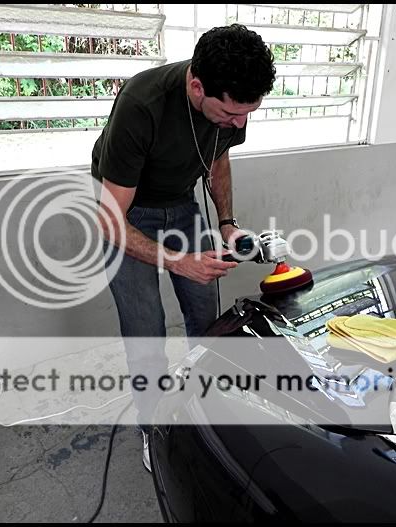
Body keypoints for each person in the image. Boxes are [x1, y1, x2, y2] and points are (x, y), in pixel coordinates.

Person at [92, 24, 276, 471]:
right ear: (197, 86)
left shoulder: (230, 112)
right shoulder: (143, 104)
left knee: (207, 320)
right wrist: (179, 261)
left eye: (248, 113)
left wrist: (227, 225)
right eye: (231, 113)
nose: (239, 123)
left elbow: (218, 160)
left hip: (182, 204)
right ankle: (155, 431)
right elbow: (108, 219)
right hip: (128, 211)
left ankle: (207, 415)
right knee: (146, 332)